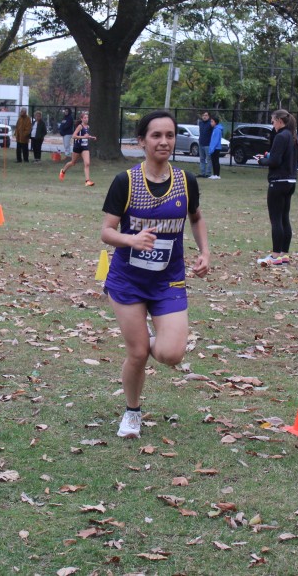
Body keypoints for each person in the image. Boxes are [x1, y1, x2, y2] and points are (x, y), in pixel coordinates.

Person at [100, 110, 210, 439]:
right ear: (142, 141)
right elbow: (107, 231)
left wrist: (205, 252)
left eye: (169, 135)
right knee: (137, 354)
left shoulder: (186, 181)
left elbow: (196, 218)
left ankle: (148, 338)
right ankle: (132, 412)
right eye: (156, 135)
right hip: (128, 280)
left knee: (171, 354)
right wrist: (131, 239)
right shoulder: (125, 181)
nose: (164, 141)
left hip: (168, 280)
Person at [256, 109, 298, 266]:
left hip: (278, 182)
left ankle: (275, 256)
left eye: (273, 121)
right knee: (284, 218)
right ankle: (284, 254)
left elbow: (275, 161)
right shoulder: (293, 136)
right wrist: (270, 157)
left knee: (276, 219)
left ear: (280, 121)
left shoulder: (281, 136)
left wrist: (262, 160)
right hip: (290, 181)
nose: (272, 124)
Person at [59, 112, 96, 186]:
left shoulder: (88, 127)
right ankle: (63, 171)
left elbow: (86, 136)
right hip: (77, 147)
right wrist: (84, 137)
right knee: (73, 163)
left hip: (85, 147)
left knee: (87, 163)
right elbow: (74, 136)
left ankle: (87, 181)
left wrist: (91, 137)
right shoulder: (80, 126)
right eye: (85, 118)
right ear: (81, 119)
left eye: (87, 117)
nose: (86, 119)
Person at [208, 113, 224, 180]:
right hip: (214, 148)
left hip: (216, 148)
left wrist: (212, 148)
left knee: (216, 161)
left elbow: (215, 140)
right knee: (213, 161)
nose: (211, 123)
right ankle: (214, 174)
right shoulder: (215, 129)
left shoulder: (217, 130)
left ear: (215, 122)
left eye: (212, 121)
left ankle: (217, 175)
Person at [197, 111, 213, 178]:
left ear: (208, 116)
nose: (204, 116)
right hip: (201, 144)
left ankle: (208, 173)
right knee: (202, 159)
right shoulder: (200, 123)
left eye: (206, 115)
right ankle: (202, 173)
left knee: (209, 159)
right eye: (203, 115)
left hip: (208, 144)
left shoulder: (210, 124)